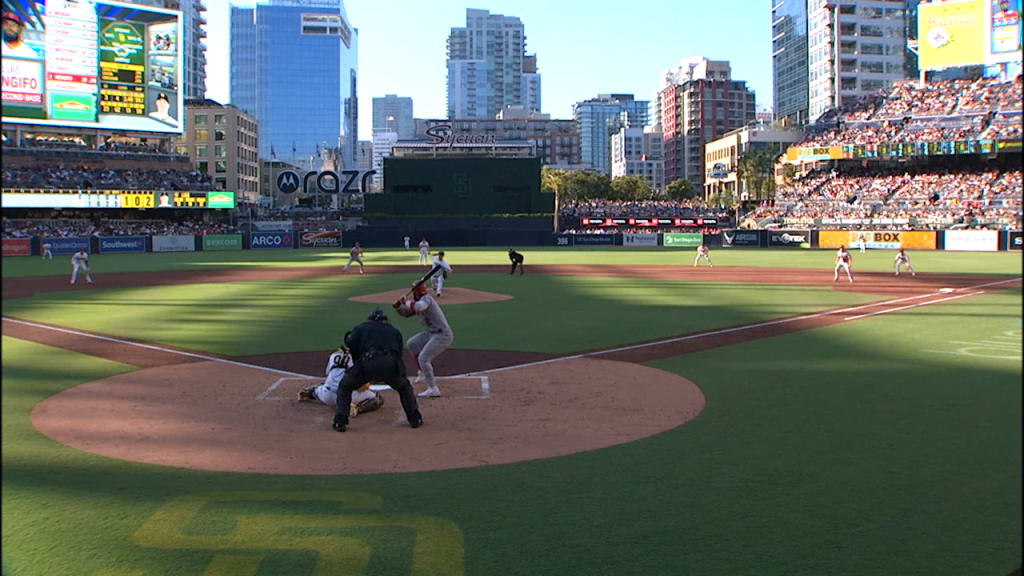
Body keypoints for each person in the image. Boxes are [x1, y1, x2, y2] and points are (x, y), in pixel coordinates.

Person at [332, 309, 422, 433]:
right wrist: (399, 374)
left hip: (368, 363)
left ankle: (340, 421)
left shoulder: (361, 328)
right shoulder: (394, 331)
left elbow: (350, 343)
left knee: (345, 386)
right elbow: (398, 355)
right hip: (390, 364)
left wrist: (358, 368)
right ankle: (414, 418)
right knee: (404, 387)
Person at [394, 282, 453, 398]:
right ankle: (421, 372)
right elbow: (406, 313)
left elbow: (418, 307)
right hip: (431, 334)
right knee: (412, 344)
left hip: (443, 335)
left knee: (424, 358)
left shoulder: (427, 299)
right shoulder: (418, 302)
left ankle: (433, 388)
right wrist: (398, 308)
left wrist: (405, 301)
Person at [298, 346, 384, 416]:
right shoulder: (359, 359)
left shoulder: (334, 355)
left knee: (323, 385)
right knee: (378, 398)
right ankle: (357, 409)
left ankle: (310, 393)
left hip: (327, 397)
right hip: (348, 397)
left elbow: (328, 373)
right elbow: (363, 385)